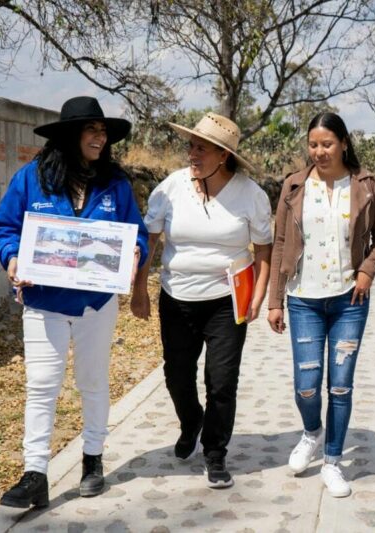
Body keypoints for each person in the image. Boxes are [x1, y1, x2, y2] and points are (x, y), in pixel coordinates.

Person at [0, 96, 149, 508]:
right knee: (41, 387)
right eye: (92, 130)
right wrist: (12, 258)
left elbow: (137, 234)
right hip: (44, 303)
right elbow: (3, 226)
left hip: (96, 304)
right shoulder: (30, 179)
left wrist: (134, 254)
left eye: (103, 131)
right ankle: (35, 473)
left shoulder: (116, 184)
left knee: (92, 381)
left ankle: (92, 460)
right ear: (70, 136)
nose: (101, 137)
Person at [130, 113, 272, 489]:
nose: (192, 154)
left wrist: (259, 293)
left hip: (227, 301)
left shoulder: (250, 195)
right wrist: (140, 289)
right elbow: (152, 240)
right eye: (190, 146)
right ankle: (191, 420)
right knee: (177, 375)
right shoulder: (170, 188)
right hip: (177, 299)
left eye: (201, 148)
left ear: (223, 155)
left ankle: (215, 451)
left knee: (221, 381)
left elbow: (263, 248)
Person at [267, 112, 375, 498]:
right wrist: (275, 301)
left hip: (349, 301)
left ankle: (333, 461)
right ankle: (311, 433)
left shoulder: (364, 185)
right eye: (313, 144)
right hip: (303, 300)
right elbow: (280, 245)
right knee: (307, 385)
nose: (319, 151)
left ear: (343, 144)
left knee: (339, 386)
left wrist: (368, 269)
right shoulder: (293, 187)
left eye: (327, 144)